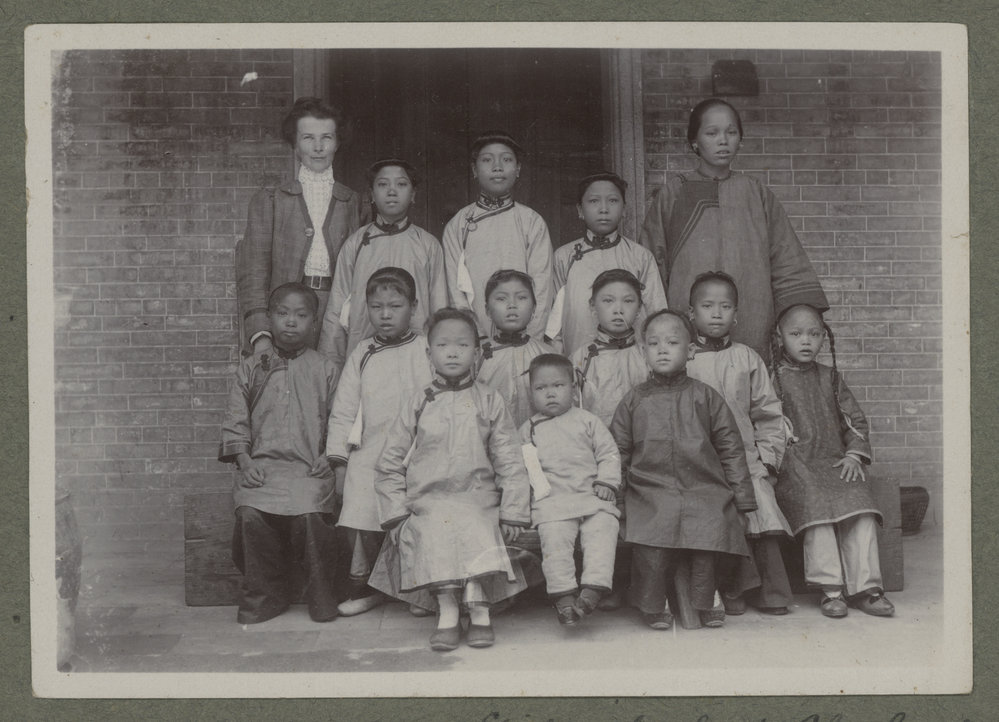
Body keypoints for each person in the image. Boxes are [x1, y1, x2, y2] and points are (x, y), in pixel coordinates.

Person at [368, 308, 532, 651]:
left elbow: (510, 459)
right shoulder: (418, 402)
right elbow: (389, 463)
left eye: (462, 344)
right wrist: (396, 513)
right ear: (429, 353)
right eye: (443, 345)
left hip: (478, 496)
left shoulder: (489, 399)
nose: (453, 352)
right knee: (433, 526)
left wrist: (514, 508)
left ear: (477, 351)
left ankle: (479, 606)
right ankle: (447, 610)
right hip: (428, 499)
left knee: (474, 523)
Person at [639, 98, 828, 362]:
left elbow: (786, 259)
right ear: (694, 141)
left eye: (731, 132)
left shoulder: (757, 193)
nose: (723, 140)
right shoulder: (674, 192)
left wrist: (798, 315)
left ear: (740, 139)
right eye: (712, 133)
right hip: (686, 321)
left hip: (751, 315)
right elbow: (650, 264)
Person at [610, 310, 757, 630]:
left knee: (711, 523)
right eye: (654, 343)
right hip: (649, 488)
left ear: (690, 351)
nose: (662, 349)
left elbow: (731, 449)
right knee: (653, 534)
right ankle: (653, 600)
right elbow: (617, 452)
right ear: (643, 352)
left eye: (673, 342)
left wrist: (743, 500)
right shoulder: (634, 400)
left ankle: (706, 596)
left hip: (703, 486)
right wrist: (617, 499)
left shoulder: (706, 397)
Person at [218, 282, 340, 624]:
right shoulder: (252, 367)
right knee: (250, 515)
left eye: (301, 316)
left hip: (308, 470)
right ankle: (265, 596)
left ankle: (321, 593)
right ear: (269, 319)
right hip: (263, 469)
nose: (291, 322)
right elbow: (235, 419)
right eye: (283, 314)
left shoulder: (326, 368)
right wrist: (245, 461)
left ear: (314, 323)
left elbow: (339, 418)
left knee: (311, 514)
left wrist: (328, 456)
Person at [771, 304, 895, 618]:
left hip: (835, 460)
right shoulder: (772, 377)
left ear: (824, 338)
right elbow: (764, 421)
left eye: (814, 334)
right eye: (796, 334)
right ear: (779, 336)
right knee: (817, 506)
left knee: (859, 503)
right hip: (795, 463)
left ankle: (866, 588)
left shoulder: (831, 377)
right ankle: (831, 591)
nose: (806, 341)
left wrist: (854, 455)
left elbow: (855, 421)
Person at [325, 268, 433, 618]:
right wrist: (340, 462)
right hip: (370, 450)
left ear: (413, 307)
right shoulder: (362, 352)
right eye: (376, 307)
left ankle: (419, 590)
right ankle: (367, 587)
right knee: (361, 506)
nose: (385, 315)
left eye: (395, 306)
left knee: (415, 515)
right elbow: (343, 410)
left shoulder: (425, 349)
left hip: (416, 452)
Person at [685, 271, 793, 615]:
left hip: (746, 458)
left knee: (761, 509)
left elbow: (768, 413)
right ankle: (734, 588)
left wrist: (769, 460)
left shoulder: (747, 358)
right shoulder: (683, 359)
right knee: (720, 515)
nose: (716, 314)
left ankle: (774, 592)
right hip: (700, 461)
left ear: (737, 314)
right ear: (691, 314)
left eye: (725, 306)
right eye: (707, 306)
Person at [236, 97, 362, 356]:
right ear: (294, 143)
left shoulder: (353, 202)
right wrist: (261, 332)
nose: (318, 147)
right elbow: (253, 273)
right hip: (285, 319)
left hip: (336, 317)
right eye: (307, 138)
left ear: (337, 143)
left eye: (326, 137)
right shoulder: (271, 199)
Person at [519, 354, 621, 626]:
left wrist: (607, 482)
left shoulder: (588, 421)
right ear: (531, 393)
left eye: (558, 386)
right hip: (553, 501)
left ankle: (592, 590)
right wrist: (530, 500)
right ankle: (564, 598)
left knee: (603, 529)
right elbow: (524, 469)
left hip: (591, 495)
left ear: (574, 388)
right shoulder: (528, 430)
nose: (550, 393)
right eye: (541, 388)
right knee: (554, 538)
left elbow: (608, 453)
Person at [319, 158, 447, 371]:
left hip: (416, 357)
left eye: (401, 184)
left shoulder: (428, 245)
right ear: (371, 194)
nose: (392, 191)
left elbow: (439, 307)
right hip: (365, 353)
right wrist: (331, 368)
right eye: (383, 184)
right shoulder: (355, 244)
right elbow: (336, 309)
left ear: (413, 194)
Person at [441, 130, 553, 340]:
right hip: (477, 336)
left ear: (518, 169)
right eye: (487, 160)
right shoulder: (459, 223)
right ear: (474, 170)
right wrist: (476, 337)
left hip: (525, 336)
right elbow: (456, 289)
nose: (497, 167)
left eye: (507, 159)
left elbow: (542, 287)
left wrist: (531, 340)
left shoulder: (531, 221)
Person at [547, 172, 667, 356]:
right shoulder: (564, 256)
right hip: (579, 360)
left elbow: (658, 316)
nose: (604, 209)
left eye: (612, 201)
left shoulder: (640, 257)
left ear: (625, 209)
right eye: (594, 201)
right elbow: (554, 323)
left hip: (633, 360)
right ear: (580, 210)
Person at [570, 269, 649, 429]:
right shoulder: (580, 358)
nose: (618, 310)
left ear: (639, 308)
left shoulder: (648, 355)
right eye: (608, 301)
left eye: (628, 301)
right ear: (592, 305)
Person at [475, 270, 554, 428]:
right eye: (501, 298)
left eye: (521, 297)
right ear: (487, 310)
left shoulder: (548, 354)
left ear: (534, 308)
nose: (512, 305)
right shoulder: (477, 355)